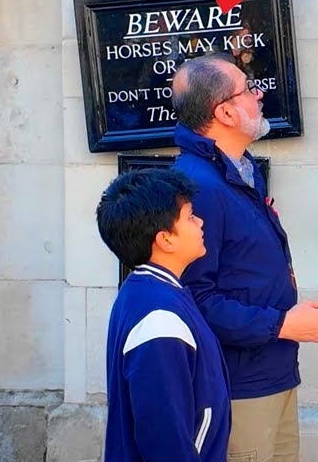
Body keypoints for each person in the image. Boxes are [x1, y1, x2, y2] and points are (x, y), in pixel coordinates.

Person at [171, 52, 318, 462]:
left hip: (273, 371)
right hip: (238, 384)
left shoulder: (241, 171)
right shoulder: (200, 187)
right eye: (248, 88)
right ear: (226, 112)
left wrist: (285, 320)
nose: (259, 93)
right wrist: (282, 323)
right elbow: (194, 300)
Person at [97, 167, 231, 462]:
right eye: (190, 217)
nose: (201, 223)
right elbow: (163, 438)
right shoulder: (159, 316)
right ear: (165, 239)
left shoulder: (148, 291)